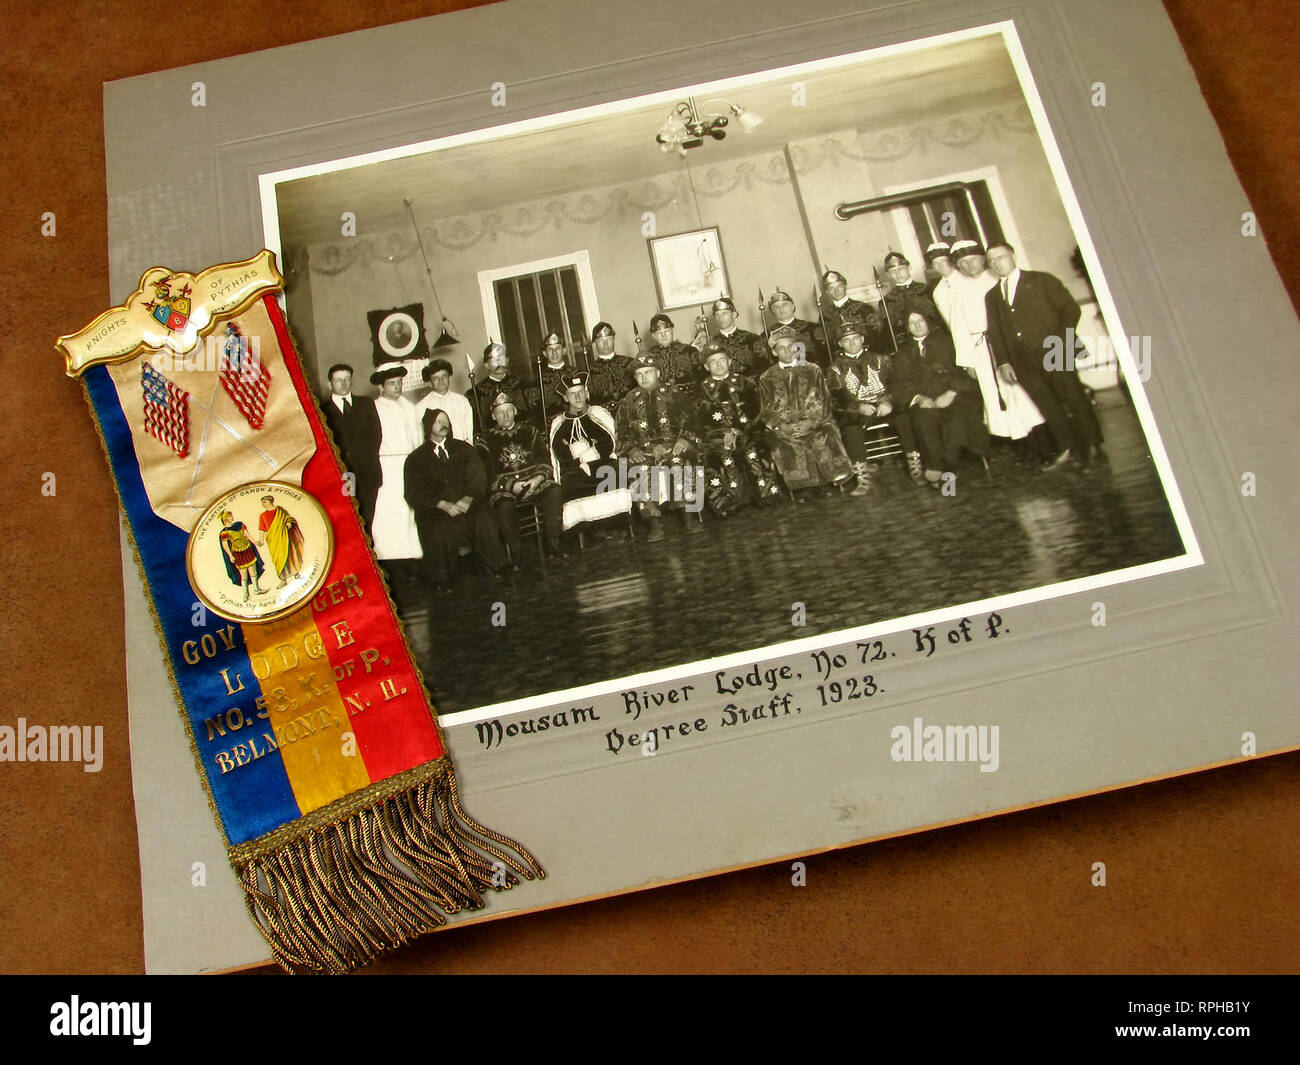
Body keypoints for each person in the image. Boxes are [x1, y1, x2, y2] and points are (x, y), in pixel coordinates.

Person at [984, 242, 1104, 468]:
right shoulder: (992, 296)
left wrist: (1060, 340)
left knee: (1073, 398)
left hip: (1053, 350)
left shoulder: (1041, 280)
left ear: (1013, 256)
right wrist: (1003, 362)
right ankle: (1068, 447)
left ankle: (1093, 446)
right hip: (1022, 360)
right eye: (991, 261)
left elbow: (1070, 310)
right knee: (1047, 405)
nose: (997, 263)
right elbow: (995, 332)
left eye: (1001, 257)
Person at [946, 239, 1046, 447]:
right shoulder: (959, 289)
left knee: (1022, 393)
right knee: (996, 396)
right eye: (963, 263)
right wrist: (967, 362)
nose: (969, 265)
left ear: (983, 259)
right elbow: (958, 327)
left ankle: (1043, 438)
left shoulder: (997, 280)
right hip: (980, 349)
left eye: (973, 260)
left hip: (1008, 346)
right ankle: (1020, 443)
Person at [404, 408, 507, 587]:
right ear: (429, 426)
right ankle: (443, 578)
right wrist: (443, 505)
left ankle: (494, 567)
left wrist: (467, 499)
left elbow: (478, 477)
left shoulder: (464, 448)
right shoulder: (415, 459)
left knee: (483, 519)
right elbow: (414, 492)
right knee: (438, 528)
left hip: (468, 502)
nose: (444, 425)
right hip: (437, 509)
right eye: (438, 421)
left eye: (446, 420)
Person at [892, 311, 989, 489]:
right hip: (925, 400)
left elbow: (963, 371)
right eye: (912, 322)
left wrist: (951, 393)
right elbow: (899, 386)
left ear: (927, 322)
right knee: (924, 419)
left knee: (957, 416)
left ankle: (944, 467)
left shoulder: (948, 343)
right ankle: (938, 467)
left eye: (920, 320)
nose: (917, 325)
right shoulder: (903, 355)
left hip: (954, 395)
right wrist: (919, 398)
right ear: (907, 328)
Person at [615, 354, 703, 541]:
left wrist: (685, 440)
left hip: (674, 445)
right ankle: (655, 525)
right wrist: (632, 450)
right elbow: (621, 433)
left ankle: (688, 519)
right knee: (639, 469)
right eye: (639, 374)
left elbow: (693, 421)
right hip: (644, 451)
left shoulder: (674, 393)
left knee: (680, 462)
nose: (644, 377)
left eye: (648, 372)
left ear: (658, 372)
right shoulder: (629, 400)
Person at [758, 325, 853, 496]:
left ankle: (832, 478)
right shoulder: (767, 377)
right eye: (781, 348)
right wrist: (782, 425)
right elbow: (766, 410)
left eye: (791, 346)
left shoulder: (812, 370)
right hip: (785, 425)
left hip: (815, 421)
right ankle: (804, 487)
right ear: (774, 352)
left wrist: (811, 420)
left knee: (824, 434)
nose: (787, 351)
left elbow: (824, 400)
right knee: (783, 441)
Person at [695, 341, 784, 516]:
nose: (719, 364)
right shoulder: (703, 389)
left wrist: (745, 428)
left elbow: (758, 408)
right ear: (706, 366)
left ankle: (765, 493)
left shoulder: (746, 383)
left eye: (722, 359)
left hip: (750, 430)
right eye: (713, 361)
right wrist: (722, 432)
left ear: (729, 361)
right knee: (722, 455)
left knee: (755, 450)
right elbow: (702, 419)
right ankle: (732, 499)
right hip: (720, 436)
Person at [826, 323, 918, 493]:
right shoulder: (835, 369)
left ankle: (915, 465)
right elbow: (835, 399)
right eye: (846, 341)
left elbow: (897, 385)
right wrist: (857, 407)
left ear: (862, 339)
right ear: (840, 344)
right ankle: (862, 476)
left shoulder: (882, 360)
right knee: (850, 428)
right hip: (858, 412)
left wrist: (889, 401)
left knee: (904, 417)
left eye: (855, 339)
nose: (852, 343)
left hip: (885, 405)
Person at [477, 389, 565, 559]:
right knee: (503, 507)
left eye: (509, 410)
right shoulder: (484, 442)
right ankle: (517, 553)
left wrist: (537, 480)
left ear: (515, 411)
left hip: (535, 482)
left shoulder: (530, 432)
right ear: (493, 416)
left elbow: (545, 461)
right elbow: (488, 476)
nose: (506, 415)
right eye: (500, 412)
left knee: (555, 491)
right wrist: (512, 486)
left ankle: (553, 544)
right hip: (506, 489)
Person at [369, 363, 424, 563]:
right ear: (381, 387)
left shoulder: (409, 406)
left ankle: (412, 551)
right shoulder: (374, 407)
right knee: (389, 508)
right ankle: (388, 553)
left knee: (409, 506)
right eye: (392, 383)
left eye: (399, 382)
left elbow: (417, 436)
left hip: (409, 461)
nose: (397, 387)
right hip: (387, 464)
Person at [320, 363, 382, 531]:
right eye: (339, 380)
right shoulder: (321, 410)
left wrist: (366, 458)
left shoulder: (366, 404)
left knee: (368, 518)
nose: (343, 383)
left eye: (347, 379)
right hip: (342, 473)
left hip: (367, 472)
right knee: (348, 519)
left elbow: (376, 435)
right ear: (329, 384)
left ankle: (370, 554)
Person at [820, 268, 886, 354]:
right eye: (831, 288)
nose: (836, 290)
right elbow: (828, 344)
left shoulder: (864, 309)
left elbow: (878, 336)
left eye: (839, 286)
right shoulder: (825, 316)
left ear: (845, 286)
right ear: (827, 292)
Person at [881, 251, 943, 343]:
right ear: (888, 275)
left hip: (937, 340)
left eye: (901, 269)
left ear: (909, 267)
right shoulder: (887, 300)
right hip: (908, 348)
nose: (898, 274)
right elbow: (890, 331)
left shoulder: (927, 290)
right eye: (893, 271)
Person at [471, 341, 529, 435]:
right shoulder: (476, 393)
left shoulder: (522, 385)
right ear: (486, 365)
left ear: (507, 360)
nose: (499, 362)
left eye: (501, 358)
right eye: (494, 359)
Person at [766, 290, 830, 371]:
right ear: (772, 311)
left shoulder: (812, 328)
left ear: (793, 306)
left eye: (784, 305)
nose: (781, 309)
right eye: (776, 307)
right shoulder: (767, 335)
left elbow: (825, 356)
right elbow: (767, 364)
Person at [414, 358, 474, 444]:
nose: (441, 380)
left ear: (449, 377)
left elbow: (469, 429)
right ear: (430, 382)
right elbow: (420, 438)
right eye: (435, 378)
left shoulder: (462, 401)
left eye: (444, 376)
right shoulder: (421, 406)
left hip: (462, 449)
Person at [584, 321, 636, 411]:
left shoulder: (630, 363)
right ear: (594, 343)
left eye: (609, 339)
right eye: (601, 341)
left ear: (613, 339)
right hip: (604, 420)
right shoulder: (589, 371)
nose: (605, 344)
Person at [255, 493, 305, 587]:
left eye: (264, 502)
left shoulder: (280, 510)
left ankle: (296, 574)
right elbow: (262, 528)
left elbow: (288, 517)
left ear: (270, 501)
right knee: (278, 559)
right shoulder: (262, 515)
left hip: (284, 537)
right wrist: (261, 539)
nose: (263, 504)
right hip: (273, 539)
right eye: (262, 503)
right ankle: (283, 579)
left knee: (289, 554)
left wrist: (289, 522)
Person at [709, 297, 766, 377]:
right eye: (717, 315)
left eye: (724, 313)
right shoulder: (711, 344)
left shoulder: (752, 339)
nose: (720, 318)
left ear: (734, 314)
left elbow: (764, 368)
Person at [646, 313, 700, 397]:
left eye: (666, 331)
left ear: (672, 330)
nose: (664, 336)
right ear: (653, 336)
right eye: (659, 332)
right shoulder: (648, 357)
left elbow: (702, 377)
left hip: (690, 400)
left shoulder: (690, 351)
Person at [218, 510, 265, 601]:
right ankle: (246, 594)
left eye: (231, 516)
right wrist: (231, 556)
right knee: (244, 576)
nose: (232, 518)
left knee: (253, 572)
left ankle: (256, 589)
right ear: (225, 519)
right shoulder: (224, 532)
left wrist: (255, 542)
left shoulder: (239, 525)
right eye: (230, 517)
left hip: (247, 550)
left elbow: (247, 535)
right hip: (238, 553)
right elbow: (225, 545)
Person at [535, 330, 571, 426]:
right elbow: (537, 412)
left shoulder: (575, 374)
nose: (554, 352)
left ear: (564, 350)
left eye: (558, 348)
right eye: (550, 349)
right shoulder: (538, 381)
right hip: (552, 426)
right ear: (545, 353)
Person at [924, 242, 959, 328]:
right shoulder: (937, 291)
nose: (940, 265)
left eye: (943, 260)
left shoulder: (966, 279)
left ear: (951, 260)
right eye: (935, 263)